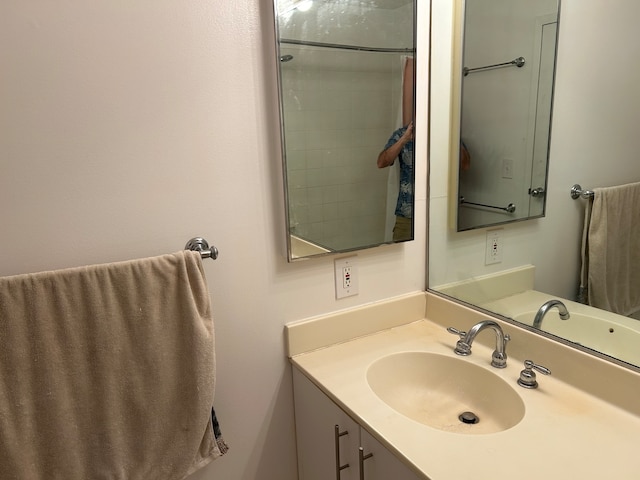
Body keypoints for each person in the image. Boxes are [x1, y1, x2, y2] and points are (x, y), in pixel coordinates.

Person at [377, 121, 414, 241]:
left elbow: (464, 165)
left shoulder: (443, 133)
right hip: (407, 215)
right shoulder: (401, 134)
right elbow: (381, 162)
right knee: (400, 256)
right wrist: (404, 139)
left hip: (437, 214)